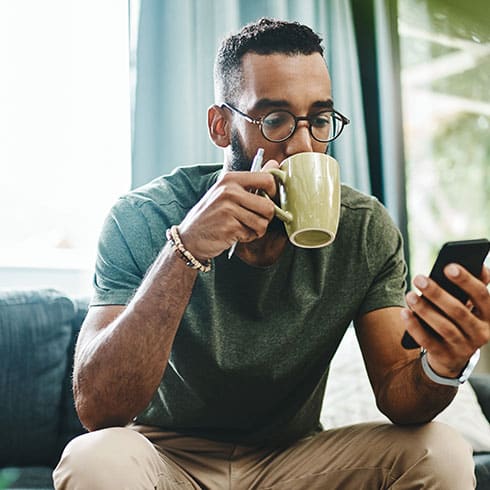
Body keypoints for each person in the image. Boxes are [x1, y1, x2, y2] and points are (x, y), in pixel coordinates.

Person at [54, 18, 489, 489]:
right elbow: (98, 408)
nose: (305, 145)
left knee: (440, 450)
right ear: (221, 127)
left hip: (295, 459)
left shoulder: (363, 227)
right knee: (94, 458)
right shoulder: (141, 217)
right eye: (276, 120)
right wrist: (186, 249)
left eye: (320, 120)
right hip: (166, 457)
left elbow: (397, 396)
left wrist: (443, 364)